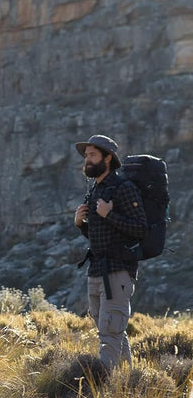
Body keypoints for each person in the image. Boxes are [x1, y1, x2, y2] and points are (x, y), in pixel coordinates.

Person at [74, 135, 147, 371]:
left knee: (110, 332)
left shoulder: (123, 188)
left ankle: (102, 387)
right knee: (111, 330)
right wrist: (81, 225)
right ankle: (127, 380)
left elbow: (140, 229)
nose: (87, 160)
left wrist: (109, 214)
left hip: (117, 272)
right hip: (96, 271)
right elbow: (100, 237)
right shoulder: (95, 191)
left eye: (93, 155)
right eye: (86, 156)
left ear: (108, 158)